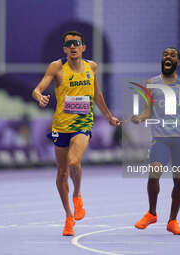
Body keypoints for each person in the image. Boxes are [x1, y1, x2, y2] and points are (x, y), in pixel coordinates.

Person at [32, 31, 120, 236]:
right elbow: (39, 87)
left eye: (76, 43)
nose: (72, 46)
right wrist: (38, 96)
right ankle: (69, 217)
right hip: (61, 125)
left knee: (73, 162)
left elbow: (97, 94)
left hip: (83, 123)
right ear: (64, 48)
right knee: (62, 173)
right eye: (69, 44)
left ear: (83, 47)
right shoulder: (56, 67)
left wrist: (108, 116)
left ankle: (77, 195)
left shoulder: (92, 67)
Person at [132, 47, 180, 235]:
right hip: (160, 138)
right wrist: (140, 118)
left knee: (179, 181)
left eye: (173, 55)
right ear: (162, 60)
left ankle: (172, 221)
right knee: (154, 174)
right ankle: (152, 213)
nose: (168, 57)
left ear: (178, 62)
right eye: (165, 54)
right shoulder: (151, 83)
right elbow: (148, 110)